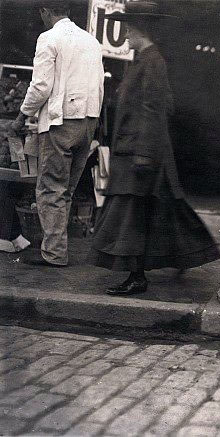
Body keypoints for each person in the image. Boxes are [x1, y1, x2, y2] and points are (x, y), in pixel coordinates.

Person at [89, 1, 220, 296]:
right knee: (160, 210)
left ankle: (137, 277)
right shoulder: (143, 60)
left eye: (125, 28)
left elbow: (154, 108)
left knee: (133, 215)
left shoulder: (152, 61)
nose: (122, 34)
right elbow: (166, 104)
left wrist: (145, 153)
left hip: (140, 154)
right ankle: (183, 256)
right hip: (135, 150)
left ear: (138, 29)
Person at [12, 0, 104, 266]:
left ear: (45, 11)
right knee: (66, 190)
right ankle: (56, 248)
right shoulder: (91, 41)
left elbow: (41, 86)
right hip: (87, 120)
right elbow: (99, 83)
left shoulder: (49, 38)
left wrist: (22, 116)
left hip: (61, 121)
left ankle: (54, 253)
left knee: (51, 189)